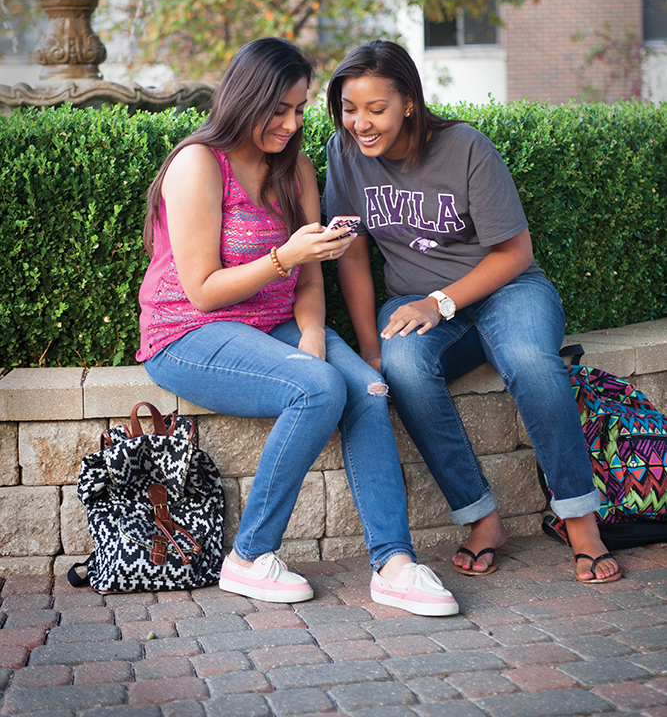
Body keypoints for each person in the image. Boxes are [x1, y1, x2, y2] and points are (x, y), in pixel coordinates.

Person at [136, 37, 458, 613]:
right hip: (187, 333)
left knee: (367, 387)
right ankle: (249, 557)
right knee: (317, 387)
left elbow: (310, 279)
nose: (290, 123)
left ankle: (395, 564)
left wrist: (312, 334)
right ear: (244, 99)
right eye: (278, 109)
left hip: (275, 325)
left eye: (299, 109)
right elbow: (204, 291)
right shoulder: (198, 165)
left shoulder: (297, 170)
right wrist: (284, 256)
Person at [323, 39, 621, 585]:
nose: (360, 123)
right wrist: (371, 347)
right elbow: (354, 254)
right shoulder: (343, 155)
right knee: (404, 367)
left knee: (532, 363)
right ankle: (483, 518)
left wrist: (440, 303)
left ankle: (582, 522)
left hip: (509, 292)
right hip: (418, 306)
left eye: (376, 109)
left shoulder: (465, 148)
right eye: (349, 108)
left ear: (409, 102)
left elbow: (515, 253)